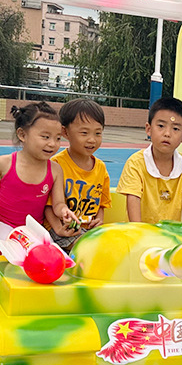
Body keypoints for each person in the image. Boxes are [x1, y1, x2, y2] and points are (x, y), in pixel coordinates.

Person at [0, 101, 78, 241]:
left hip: (33, 228)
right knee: (14, 244)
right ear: (22, 135)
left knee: (48, 250)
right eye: (45, 137)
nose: (52, 144)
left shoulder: (55, 170)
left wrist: (64, 211)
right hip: (1, 225)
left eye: (57, 138)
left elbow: (58, 204)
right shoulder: (5, 163)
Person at [117, 97, 182, 225]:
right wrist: (138, 231)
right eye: (161, 126)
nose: (167, 133)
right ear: (149, 129)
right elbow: (133, 198)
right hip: (140, 234)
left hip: (170, 236)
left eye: (175, 129)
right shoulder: (136, 163)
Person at [45, 98, 111, 251]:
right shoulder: (56, 165)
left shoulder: (100, 168)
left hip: (87, 231)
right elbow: (48, 206)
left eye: (98, 133)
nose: (92, 140)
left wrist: (99, 219)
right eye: (84, 133)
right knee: (89, 250)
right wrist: (58, 229)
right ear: (65, 132)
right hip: (60, 230)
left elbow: (102, 203)